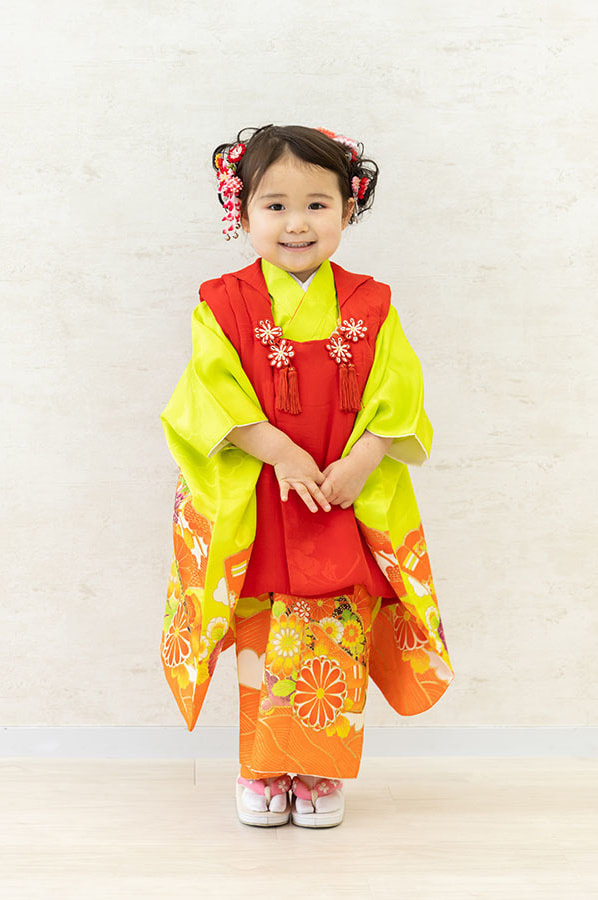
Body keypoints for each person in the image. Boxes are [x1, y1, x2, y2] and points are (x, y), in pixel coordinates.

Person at [159, 124, 455, 829]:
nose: (297, 223)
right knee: (262, 631)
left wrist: (363, 461)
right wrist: (282, 454)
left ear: (348, 211)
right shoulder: (221, 303)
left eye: (318, 205)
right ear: (241, 210)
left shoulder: (372, 304)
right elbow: (210, 395)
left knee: (334, 628)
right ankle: (261, 767)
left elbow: (398, 393)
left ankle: (320, 770)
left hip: (341, 495)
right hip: (263, 494)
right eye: (276, 205)